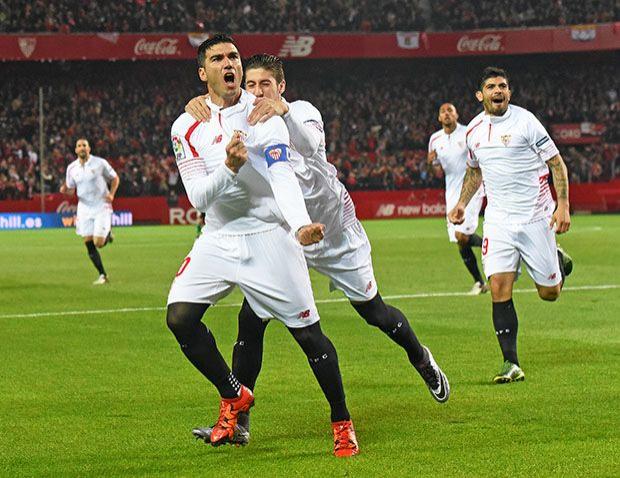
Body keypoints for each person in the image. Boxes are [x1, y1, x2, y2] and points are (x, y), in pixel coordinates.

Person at [184, 53, 450, 445]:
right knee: (251, 320)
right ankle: (239, 421)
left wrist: (285, 111)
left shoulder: (302, 112)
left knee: (374, 311)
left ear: (282, 86)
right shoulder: (243, 118)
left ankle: (420, 358)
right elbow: (215, 115)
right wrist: (197, 105)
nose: (257, 93)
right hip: (285, 234)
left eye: (266, 86)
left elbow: (309, 146)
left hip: (335, 234)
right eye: (251, 85)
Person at [166, 35, 359, 457]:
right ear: (204, 73)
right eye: (217, 58)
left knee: (309, 337)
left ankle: (342, 422)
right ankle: (233, 395)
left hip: (270, 234)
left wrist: (300, 223)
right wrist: (230, 168)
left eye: (233, 56)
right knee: (180, 318)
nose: (228, 63)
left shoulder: (263, 116)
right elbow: (199, 197)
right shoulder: (186, 125)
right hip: (217, 236)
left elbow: (281, 174)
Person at [448, 67, 573, 384]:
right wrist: (462, 204)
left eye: (502, 86)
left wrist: (563, 206)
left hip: (535, 218)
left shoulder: (526, 122)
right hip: (498, 222)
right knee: (499, 289)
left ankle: (558, 261)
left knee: (550, 294)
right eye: (491, 86)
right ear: (481, 95)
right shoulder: (473, 131)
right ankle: (510, 362)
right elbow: (474, 171)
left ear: (509, 92)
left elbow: (556, 163)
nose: (498, 90)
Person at [428, 103, 488, 295]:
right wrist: (431, 163)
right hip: (451, 191)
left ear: (456, 115)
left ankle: (493, 244)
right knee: (459, 239)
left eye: (450, 111)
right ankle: (479, 282)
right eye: (443, 112)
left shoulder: (467, 133)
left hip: (472, 188)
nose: (446, 114)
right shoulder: (434, 139)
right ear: (439, 118)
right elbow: (438, 172)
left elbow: (479, 160)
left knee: (462, 235)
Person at [60, 138, 119, 285]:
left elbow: (115, 178)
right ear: (75, 150)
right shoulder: (71, 168)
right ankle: (102, 275)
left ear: (89, 148)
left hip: (101, 206)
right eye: (79, 146)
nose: (82, 148)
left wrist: (111, 194)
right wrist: (64, 191)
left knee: (98, 243)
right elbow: (71, 189)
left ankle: (107, 235)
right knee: (88, 242)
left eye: (84, 145)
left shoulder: (100, 163)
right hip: (84, 208)